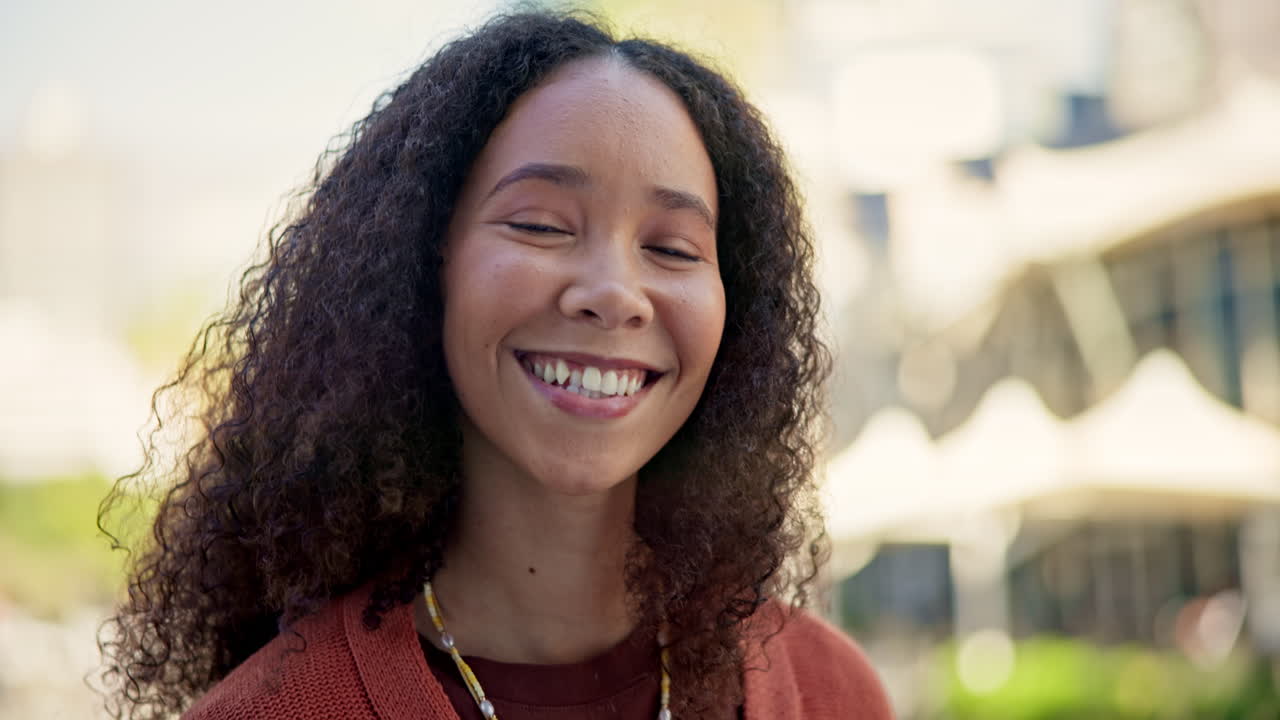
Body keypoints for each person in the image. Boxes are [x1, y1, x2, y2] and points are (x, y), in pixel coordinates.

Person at [98, 11, 893, 720]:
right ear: (425, 263)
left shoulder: (831, 692)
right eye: (542, 226)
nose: (614, 294)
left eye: (671, 248)